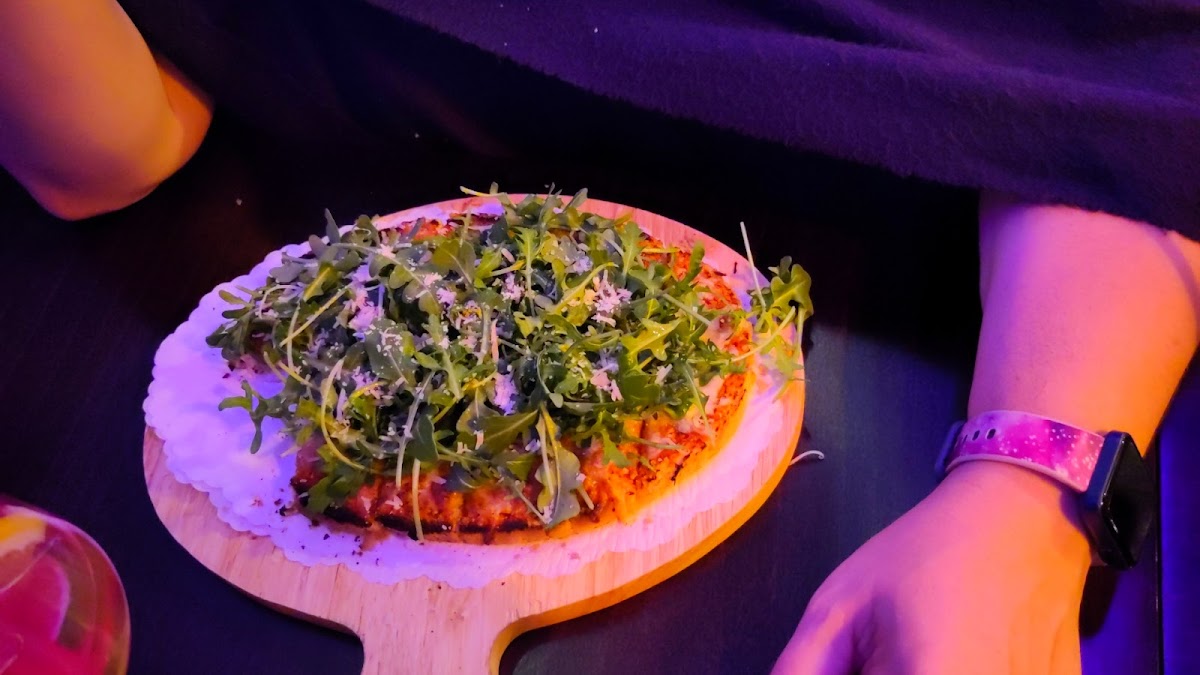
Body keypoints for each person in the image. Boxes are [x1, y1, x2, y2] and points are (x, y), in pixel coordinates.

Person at [3, 1, 1198, 673]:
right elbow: (108, 151)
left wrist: (1023, 488)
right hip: (298, 340)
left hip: (927, 366)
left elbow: (1126, 86)